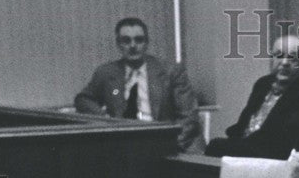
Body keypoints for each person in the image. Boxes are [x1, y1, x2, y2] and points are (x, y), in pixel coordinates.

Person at [75, 17, 204, 153]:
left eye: (139, 40)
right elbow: (83, 99)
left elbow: (189, 116)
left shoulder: (171, 71)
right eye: (126, 40)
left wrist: (166, 145)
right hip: (126, 143)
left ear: (146, 43)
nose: (133, 45)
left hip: (167, 142)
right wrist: (104, 118)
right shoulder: (107, 73)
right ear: (118, 44)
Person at [206, 34, 299, 159]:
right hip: (245, 147)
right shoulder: (263, 83)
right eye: (279, 55)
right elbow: (243, 123)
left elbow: (283, 138)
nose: (284, 63)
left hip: (273, 153)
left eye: (292, 58)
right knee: (214, 149)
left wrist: (237, 145)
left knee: (215, 147)